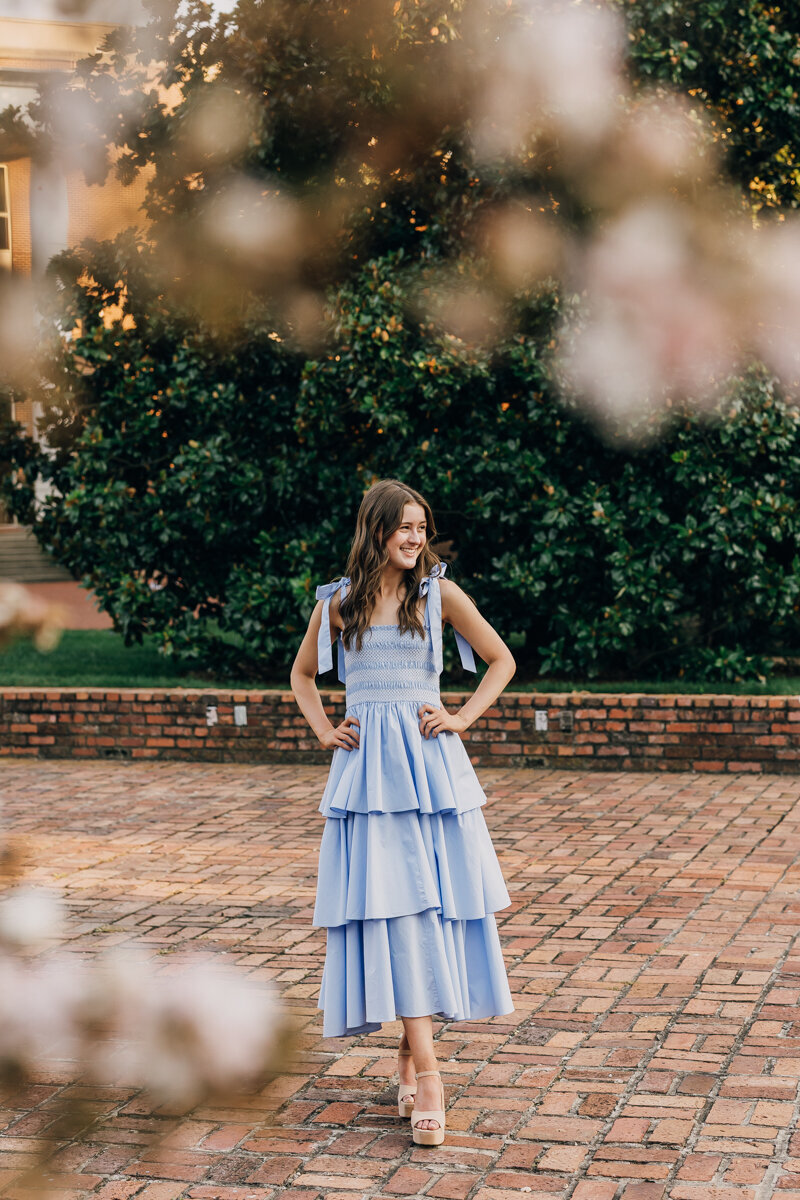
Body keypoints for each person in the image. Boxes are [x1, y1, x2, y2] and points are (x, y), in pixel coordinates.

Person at [291, 478, 515, 1147]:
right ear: (376, 530)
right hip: (366, 783)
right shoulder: (338, 605)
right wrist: (324, 729)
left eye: (423, 527)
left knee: (424, 909)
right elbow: (302, 675)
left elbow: (501, 660)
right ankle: (430, 1071)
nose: (416, 539)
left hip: (429, 775)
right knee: (394, 909)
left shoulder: (437, 594)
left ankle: (415, 1063)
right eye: (405, 528)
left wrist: (461, 717)